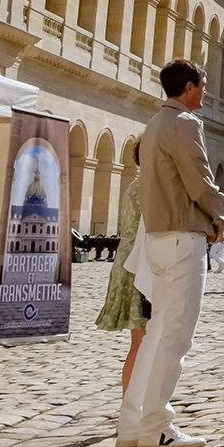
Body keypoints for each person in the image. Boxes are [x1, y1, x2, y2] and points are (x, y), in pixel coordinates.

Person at [118, 60, 224, 447]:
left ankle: (131, 423)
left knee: (156, 334)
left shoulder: (152, 125)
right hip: (184, 237)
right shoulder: (185, 123)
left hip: (159, 240)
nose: (205, 92)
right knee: (175, 338)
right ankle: (157, 427)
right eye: (202, 85)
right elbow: (199, 178)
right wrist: (222, 217)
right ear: (188, 87)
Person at [97, 144, 148, 392]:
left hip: (129, 263)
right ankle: (132, 406)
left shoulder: (136, 186)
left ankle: (132, 404)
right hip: (138, 266)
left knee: (140, 343)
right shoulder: (148, 188)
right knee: (142, 344)